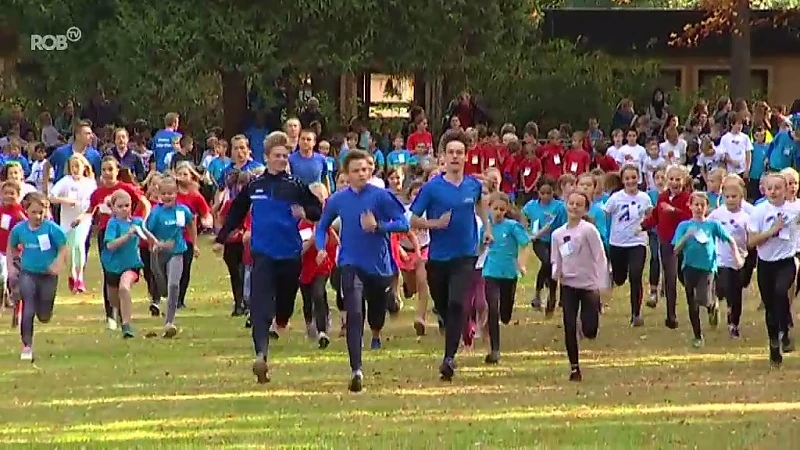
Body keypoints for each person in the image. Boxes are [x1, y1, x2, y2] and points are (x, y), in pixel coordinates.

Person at [214, 131, 322, 384]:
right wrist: (221, 239)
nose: (282, 160)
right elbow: (236, 213)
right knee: (260, 306)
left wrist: (304, 212)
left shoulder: (295, 185)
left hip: (290, 254)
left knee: (284, 304)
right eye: (277, 156)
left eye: (285, 156)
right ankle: (261, 355)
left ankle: (281, 321)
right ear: (266, 157)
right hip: (262, 253)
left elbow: (318, 210)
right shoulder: (255, 185)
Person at [314, 149, 408, 391]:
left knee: (376, 313)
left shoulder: (381, 196)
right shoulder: (338, 199)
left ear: (371, 170)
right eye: (355, 171)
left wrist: (379, 226)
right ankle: (356, 369)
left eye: (365, 170)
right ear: (346, 173)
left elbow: (404, 223)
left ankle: (376, 331)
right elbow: (322, 226)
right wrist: (321, 247)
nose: (361, 174)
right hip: (349, 261)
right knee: (355, 312)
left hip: (379, 266)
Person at [409, 130, 492, 382]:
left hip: (465, 254)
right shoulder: (432, 188)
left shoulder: (473, 185)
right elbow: (412, 218)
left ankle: (449, 358)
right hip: (438, 257)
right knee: (444, 305)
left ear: (466, 157)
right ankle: (448, 325)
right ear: (443, 157)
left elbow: (481, 205)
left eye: (460, 153)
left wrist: (486, 228)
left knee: (458, 303)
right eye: (451, 152)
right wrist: (435, 224)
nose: (455, 157)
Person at [672, 192, 741, 348]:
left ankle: (712, 306)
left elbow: (729, 239)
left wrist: (737, 255)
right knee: (692, 303)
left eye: (702, 205)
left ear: (707, 207)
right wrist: (686, 237)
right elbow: (675, 250)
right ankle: (697, 336)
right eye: (696, 204)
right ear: (689, 206)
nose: (699, 208)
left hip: (708, 268)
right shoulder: (684, 226)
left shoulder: (712, 225)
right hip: (689, 267)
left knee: (702, 298)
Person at [551, 191, 608, 381]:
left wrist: (602, 282)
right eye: (571, 203)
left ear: (585, 209)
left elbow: (599, 256)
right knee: (568, 324)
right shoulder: (558, 234)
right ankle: (574, 367)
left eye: (579, 204)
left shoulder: (588, 230)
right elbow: (556, 259)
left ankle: (586, 328)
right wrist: (556, 273)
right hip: (568, 284)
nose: (574, 207)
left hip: (589, 284)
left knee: (590, 329)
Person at [8, 192, 68, 361]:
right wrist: (13, 265)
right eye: (34, 212)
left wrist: (58, 263)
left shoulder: (52, 229)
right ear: (26, 211)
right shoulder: (19, 229)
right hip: (28, 273)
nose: (38, 216)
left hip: (48, 275)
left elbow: (63, 247)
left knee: (44, 315)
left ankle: (45, 312)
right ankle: (27, 346)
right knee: (28, 308)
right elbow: (12, 246)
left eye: (41, 212)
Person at [748, 173, 799, 367]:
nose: (774, 191)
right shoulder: (759, 211)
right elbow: (751, 242)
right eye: (770, 188)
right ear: (764, 190)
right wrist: (772, 231)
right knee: (770, 306)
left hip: (786, 261)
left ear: (786, 189)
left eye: (778, 188)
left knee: (781, 293)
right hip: (765, 263)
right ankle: (774, 342)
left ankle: (784, 330)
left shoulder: (795, 210)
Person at [481, 192, 529, 364]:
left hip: (509, 273)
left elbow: (525, 244)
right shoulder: (485, 228)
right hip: (490, 272)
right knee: (492, 307)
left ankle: (505, 313)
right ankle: (495, 349)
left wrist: (521, 264)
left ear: (507, 209)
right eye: (495, 209)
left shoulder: (513, 227)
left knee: (505, 313)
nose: (498, 212)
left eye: (502, 209)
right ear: (489, 209)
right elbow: (479, 246)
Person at [101, 190, 156, 339]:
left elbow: (146, 234)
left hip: (131, 265)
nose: (125, 209)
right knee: (114, 299)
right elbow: (111, 245)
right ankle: (120, 315)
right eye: (120, 206)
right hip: (112, 266)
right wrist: (127, 235)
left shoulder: (136, 222)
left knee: (124, 288)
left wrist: (155, 243)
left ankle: (126, 326)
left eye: (127, 205)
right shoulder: (113, 224)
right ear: (112, 208)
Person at [147, 177, 194, 337]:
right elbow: (148, 231)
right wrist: (156, 244)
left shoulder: (182, 211)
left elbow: (191, 224)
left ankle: (169, 321)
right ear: (159, 194)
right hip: (159, 254)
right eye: (164, 193)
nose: (168, 197)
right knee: (162, 286)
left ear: (176, 193)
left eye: (171, 193)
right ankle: (160, 298)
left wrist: (193, 243)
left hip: (177, 251)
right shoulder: (156, 213)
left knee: (174, 285)